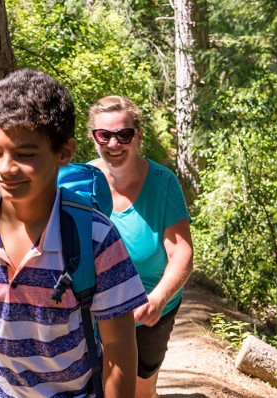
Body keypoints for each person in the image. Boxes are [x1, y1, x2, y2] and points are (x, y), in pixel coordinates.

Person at [0, 70, 148, 398]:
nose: (5, 168)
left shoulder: (95, 237)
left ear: (64, 152)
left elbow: (118, 343)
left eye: (25, 154)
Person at [86, 96, 194, 398]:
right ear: (93, 137)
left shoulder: (163, 183)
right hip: (94, 310)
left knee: (139, 391)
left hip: (149, 311)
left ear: (138, 136)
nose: (114, 144)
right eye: (104, 135)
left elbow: (182, 253)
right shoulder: (79, 183)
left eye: (124, 135)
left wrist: (156, 300)